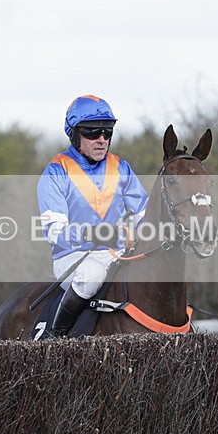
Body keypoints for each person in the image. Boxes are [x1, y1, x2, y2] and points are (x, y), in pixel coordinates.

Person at [37, 94, 149, 337]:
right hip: (73, 256)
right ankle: (54, 336)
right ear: (75, 134)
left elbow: (143, 215)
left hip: (117, 253)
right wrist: (91, 233)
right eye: (92, 132)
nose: (101, 139)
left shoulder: (121, 167)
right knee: (92, 275)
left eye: (107, 132)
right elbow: (54, 231)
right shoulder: (56, 171)